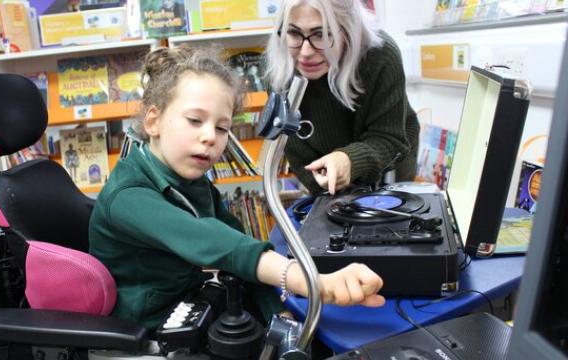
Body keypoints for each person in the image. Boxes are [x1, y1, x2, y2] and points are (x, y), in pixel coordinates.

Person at [89, 46, 385, 330]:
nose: (210, 137)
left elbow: (238, 245)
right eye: (195, 120)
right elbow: (214, 242)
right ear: (153, 122)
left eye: (222, 128)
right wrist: (315, 283)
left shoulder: (193, 182)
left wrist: (278, 314)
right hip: (149, 330)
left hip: (192, 304)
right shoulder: (127, 196)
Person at [265, 0, 420, 195]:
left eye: (321, 34)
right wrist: (326, 190)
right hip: (326, 171)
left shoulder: (381, 56)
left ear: (348, 29)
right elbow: (296, 151)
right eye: (294, 33)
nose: (305, 53)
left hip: (390, 162)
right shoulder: (277, 71)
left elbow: (389, 138)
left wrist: (349, 160)